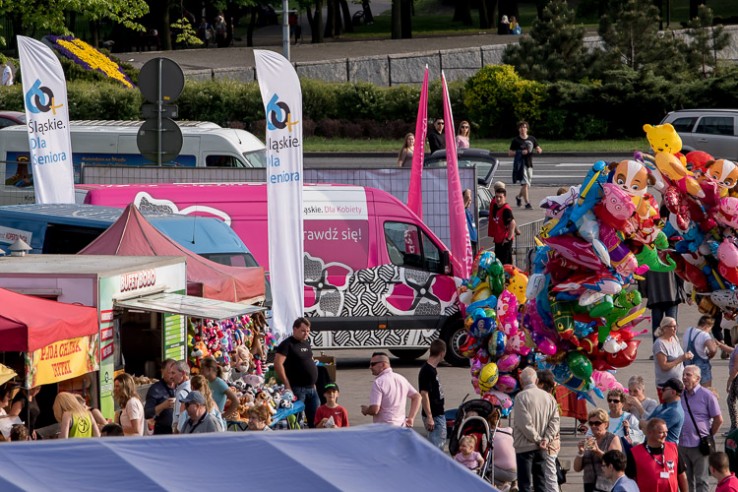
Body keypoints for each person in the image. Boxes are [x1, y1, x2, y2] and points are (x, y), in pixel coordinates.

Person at [513, 367, 560, 492]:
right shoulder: (549, 398)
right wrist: (546, 439)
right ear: (536, 380)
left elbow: (525, 424)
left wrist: (538, 439)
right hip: (542, 447)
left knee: (525, 484)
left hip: (525, 447)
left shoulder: (520, 397)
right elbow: (555, 421)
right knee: (541, 483)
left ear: (521, 382)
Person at [680, 365, 723, 492]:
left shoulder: (707, 395)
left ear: (697, 378)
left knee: (701, 481)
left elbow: (718, 419)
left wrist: (708, 435)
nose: (684, 377)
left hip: (699, 446)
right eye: (683, 374)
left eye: (688, 375)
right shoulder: (681, 394)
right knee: (686, 480)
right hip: (682, 444)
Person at [275, 317, 320, 428]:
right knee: (296, 421)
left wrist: (313, 382)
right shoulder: (287, 344)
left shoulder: (306, 343)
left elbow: (310, 360)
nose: (306, 334)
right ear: (295, 329)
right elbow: (278, 364)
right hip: (298, 389)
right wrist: (287, 384)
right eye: (303, 331)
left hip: (312, 389)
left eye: (308, 331)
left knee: (315, 420)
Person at [626, 418, 688, 491]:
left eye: (666, 432)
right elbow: (629, 480)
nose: (665, 435)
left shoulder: (673, 448)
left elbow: (682, 475)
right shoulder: (635, 453)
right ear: (650, 433)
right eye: (661, 432)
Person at [361, 352, 421, 427]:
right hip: (401, 426)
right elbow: (417, 396)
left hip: (384, 428)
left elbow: (374, 410)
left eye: (373, 364)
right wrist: (411, 418)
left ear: (383, 364)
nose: (370, 367)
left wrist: (366, 410)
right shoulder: (401, 378)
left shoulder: (378, 382)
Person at [574, 408, 623, 492]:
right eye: (591, 423)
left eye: (597, 423)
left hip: (607, 486)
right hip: (589, 485)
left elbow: (616, 463)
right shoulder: (589, 440)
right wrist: (580, 452)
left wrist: (597, 451)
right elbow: (577, 468)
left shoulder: (612, 439)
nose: (593, 426)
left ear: (606, 424)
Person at [654, 317, 693, 402]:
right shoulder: (660, 344)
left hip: (679, 383)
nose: (675, 328)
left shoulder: (674, 338)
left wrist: (687, 356)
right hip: (666, 386)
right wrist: (681, 358)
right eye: (672, 326)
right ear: (664, 328)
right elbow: (664, 366)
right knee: (669, 409)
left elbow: (679, 355)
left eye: (676, 326)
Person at [636, 378, 685, 444]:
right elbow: (645, 424)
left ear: (673, 392)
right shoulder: (663, 406)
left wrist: (642, 422)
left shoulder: (674, 412)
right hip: (652, 445)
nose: (661, 391)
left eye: (664, 389)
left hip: (664, 448)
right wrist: (644, 424)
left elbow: (651, 430)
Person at [418, 339, 447, 449]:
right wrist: (430, 417)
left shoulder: (431, 369)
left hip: (436, 414)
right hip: (434, 416)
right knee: (437, 448)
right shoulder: (427, 371)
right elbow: (424, 394)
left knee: (437, 445)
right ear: (442, 353)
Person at [536, 370, 561, 492]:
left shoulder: (547, 400)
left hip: (547, 446)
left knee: (550, 480)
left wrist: (546, 439)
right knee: (545, 479)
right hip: (547, 444)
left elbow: (553, 424)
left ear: (541, 384)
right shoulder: (546, 399)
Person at [508, 120, 541, 210]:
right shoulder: (516, 140)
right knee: (525, 184)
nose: (523, 129)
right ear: (519, 129)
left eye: (524, 127)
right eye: (521, 127)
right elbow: (510, 153)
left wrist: (539, 150)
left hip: (529, 163)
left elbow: (538, 147)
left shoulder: (532, 139)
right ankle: (527, 203)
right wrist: (520, 152)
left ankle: (518, 197)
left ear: (527, 129)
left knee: (526, 185)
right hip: (520, 164)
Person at [645, 270, 684, 342]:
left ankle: (658, 347)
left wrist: (645, 292)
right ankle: (672, 346)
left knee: (657, 326)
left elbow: (643, 275)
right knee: (671, 325)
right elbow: (679, 272)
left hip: (655, 295)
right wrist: (684, 290)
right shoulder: (671, 261)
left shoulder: (649, 262)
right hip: (671, 294)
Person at [200, 357, 240, 421]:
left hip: (216, 422)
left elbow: (236, 401)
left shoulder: (219, 383)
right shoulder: (207, 382)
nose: (201, 371)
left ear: (209, 369)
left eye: (202, 368)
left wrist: (223, 416)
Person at [683, 315, 718, 387]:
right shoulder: (704, 335)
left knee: (689, 387)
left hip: (687, 363)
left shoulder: (688, 330)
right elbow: (712, 349)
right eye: (710, 329)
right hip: (701, 365)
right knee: (706, 389)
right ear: (706, 326)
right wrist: (710, 355)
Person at [144, 358, 177, 435]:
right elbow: (147, 413)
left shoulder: (180, 386)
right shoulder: (155, 389)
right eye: (170, 373)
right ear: (162, 371)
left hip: (179, 431)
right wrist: (163, 406)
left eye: (174, 373)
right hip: (163, 431)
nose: (172, 376)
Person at [489, 408, 517, 490]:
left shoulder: (490, 435)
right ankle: (515, 484)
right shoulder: (509, 431)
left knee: (486, 469)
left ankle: (502, 486)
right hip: (517, 472)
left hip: (502, 472)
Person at [487, 184, 516, 265]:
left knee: (504, 264)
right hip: (498, 241)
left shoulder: (506, 210)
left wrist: (508, 238)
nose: (498, 199)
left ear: (504, 197)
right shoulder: (497, 207)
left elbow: (512, 223)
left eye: (500, 197)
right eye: (496, 197)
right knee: (498, 263)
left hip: (504, 242)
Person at [170, 360, 191, 433]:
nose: (171, 377)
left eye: (173, 373)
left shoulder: (181, 393)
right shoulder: (192, 386)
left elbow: (179, 422)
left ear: (183, 373)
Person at [463, 189, 478, 255]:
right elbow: (467, 197)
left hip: (473, 240)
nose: (469, 202)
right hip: (468, 241)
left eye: (470, 200)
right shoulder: (462, 210)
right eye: (468, 200)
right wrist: (467, 194)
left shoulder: (468, 211)